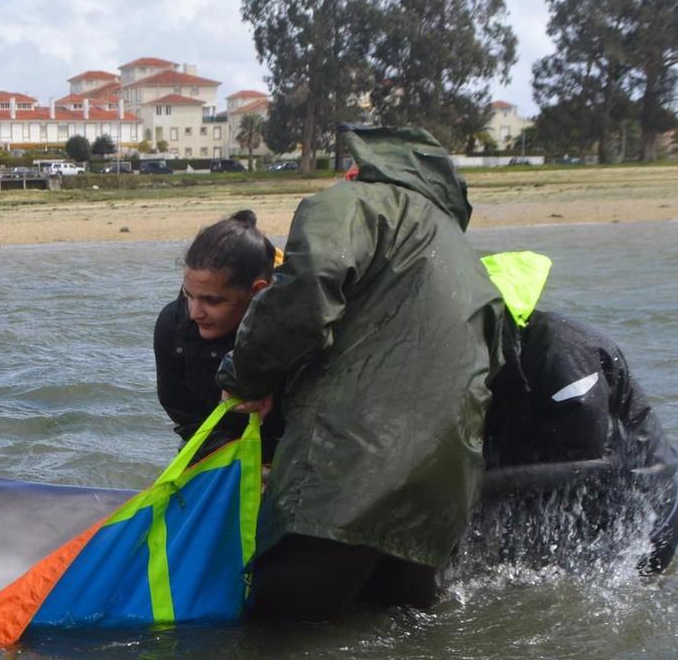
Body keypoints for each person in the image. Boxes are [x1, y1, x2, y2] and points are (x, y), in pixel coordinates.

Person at [219, 126, 508, 623]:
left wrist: (248, 376)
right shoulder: (465, 256)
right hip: (437, 499)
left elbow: (307, 289)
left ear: (362, 166)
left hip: (345, 480)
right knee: (393, 647)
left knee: (271, 652)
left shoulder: (352, 202)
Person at [474, 250, 678, 573]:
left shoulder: (564, 358)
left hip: (646, 517)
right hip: (573, 493)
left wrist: (478, 488)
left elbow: (580, 468)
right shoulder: (499, 360)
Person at [153, 209, 284, 460]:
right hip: (210, 445)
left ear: (257, 291)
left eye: (211, 301)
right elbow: (184, 414)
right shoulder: (172, 325)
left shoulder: (296, 325)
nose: (195, 313)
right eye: (189, 295)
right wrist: (234, 466)